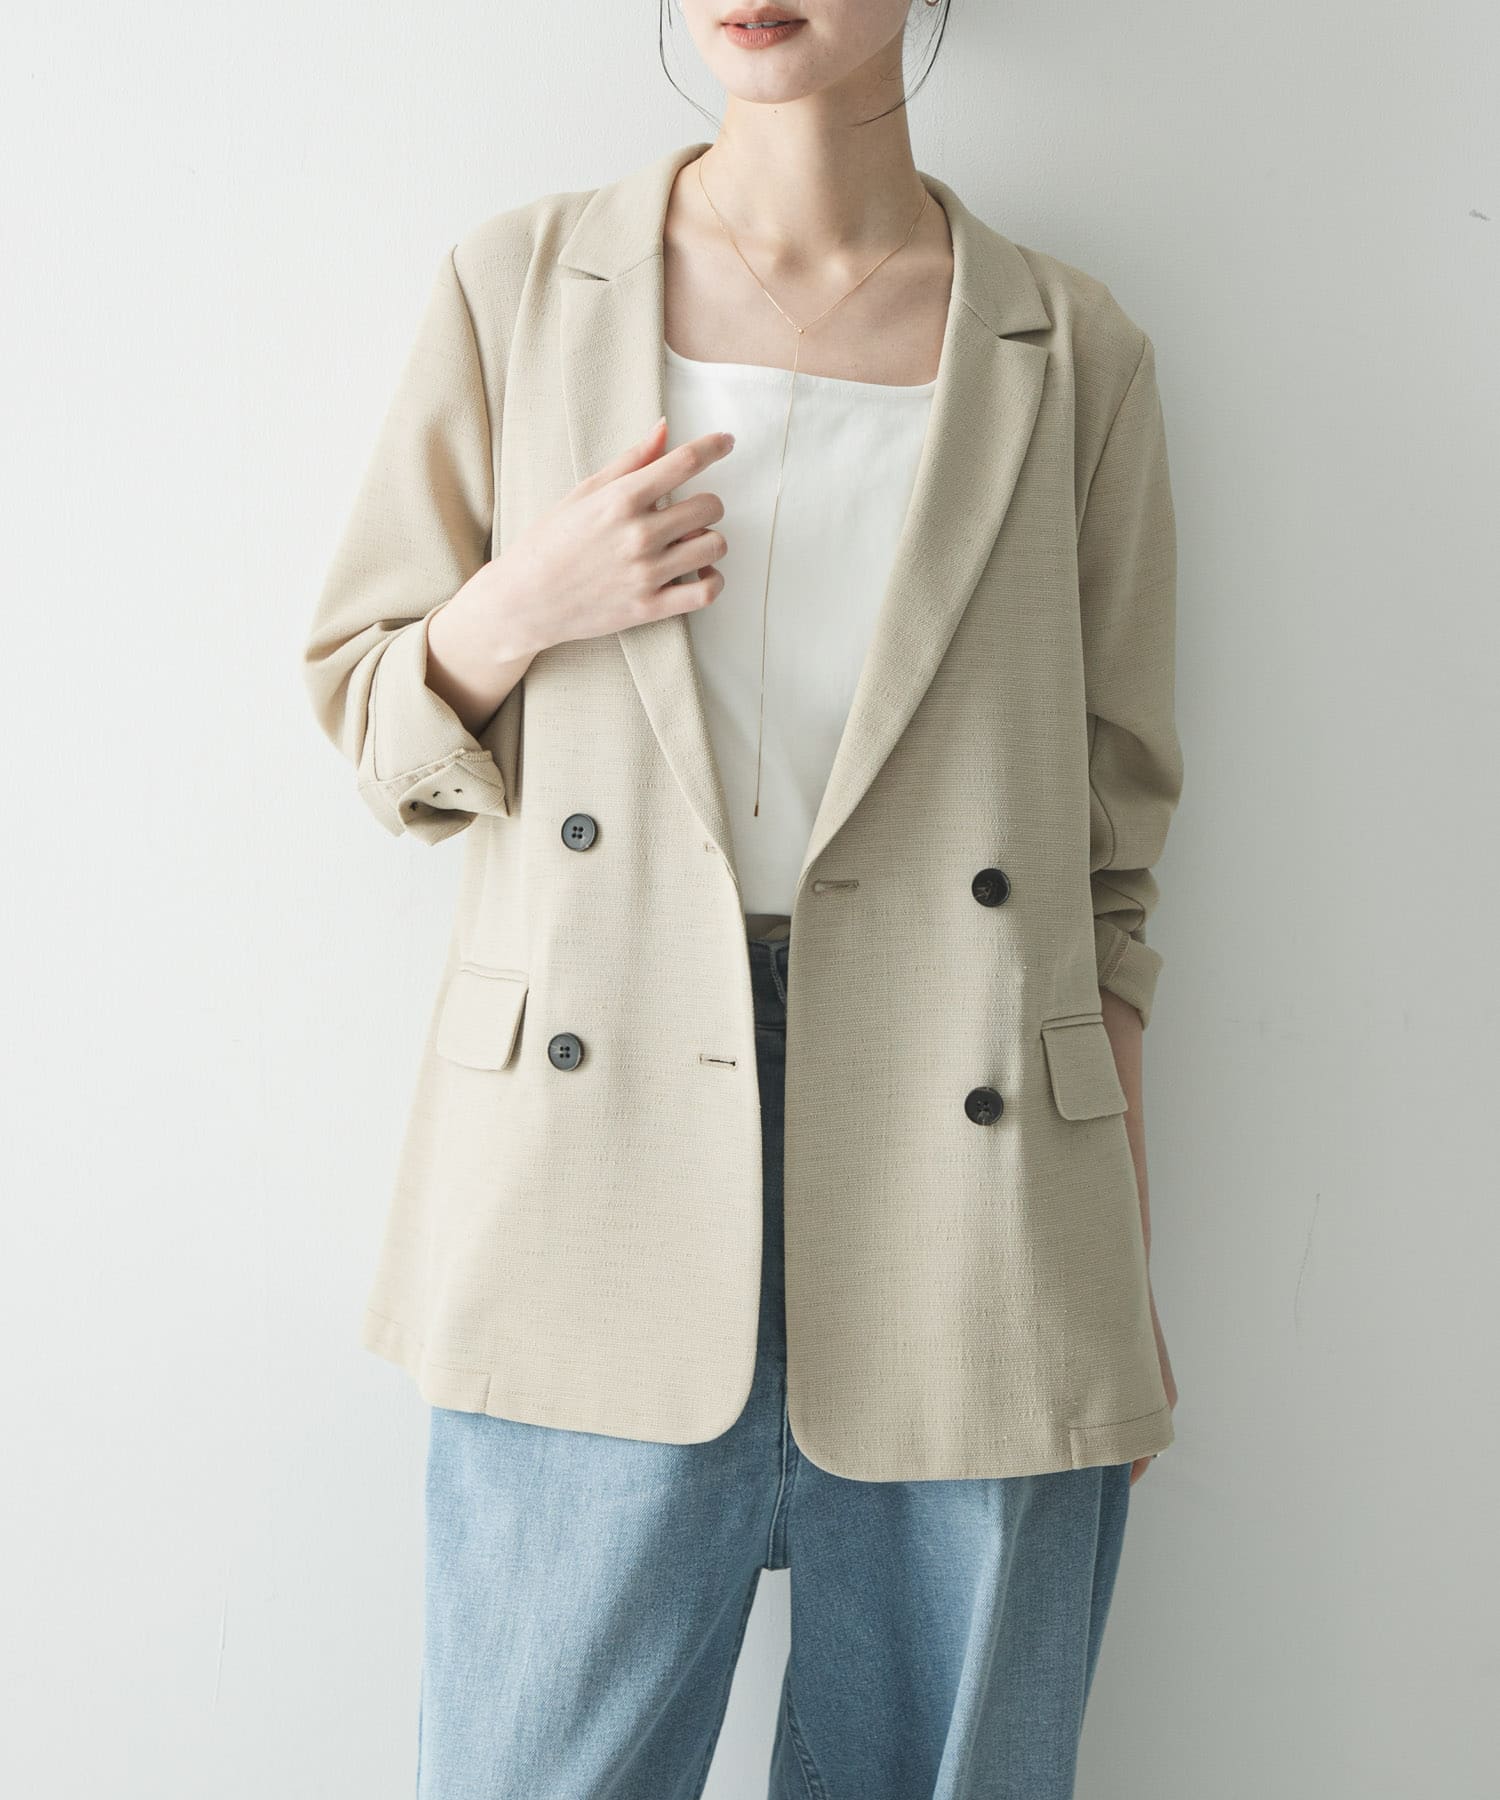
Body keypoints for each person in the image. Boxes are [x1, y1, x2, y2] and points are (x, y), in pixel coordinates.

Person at [302, 4, 1184, 1794]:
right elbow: (372, 723)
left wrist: (1113, 1270)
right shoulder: (518, 287)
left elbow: (1109, 868)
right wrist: (522, 602)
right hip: (587, 1155)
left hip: (976, 1185)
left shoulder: (1068, 348)